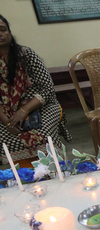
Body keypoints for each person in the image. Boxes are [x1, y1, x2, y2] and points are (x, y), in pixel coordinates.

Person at [0, 15, 71, 167]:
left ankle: (57, 171)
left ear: (9, 33)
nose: (0, 34)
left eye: (3, 30)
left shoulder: (26, 55)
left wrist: (24, 110)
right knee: (6, 138)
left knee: (43, 133)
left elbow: (47, 88)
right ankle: (27, 178)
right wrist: (8, 123)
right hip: (6, 112)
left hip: (39, 105)